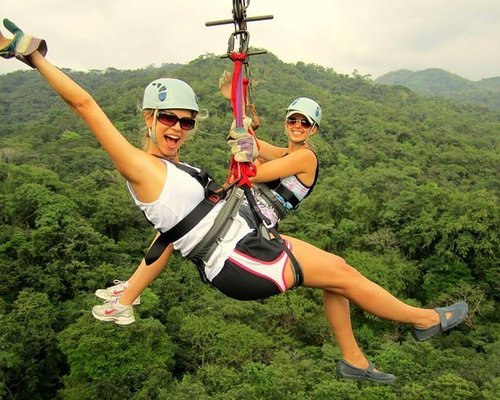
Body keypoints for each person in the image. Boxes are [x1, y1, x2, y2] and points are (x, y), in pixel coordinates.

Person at [0, 19, 469, 385]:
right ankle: (426, 321)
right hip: (242, 259)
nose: (178, 129)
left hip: (246, 240)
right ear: (148, 118)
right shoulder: (139, 168)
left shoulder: (177, 170)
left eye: (186, 122)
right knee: (343, 273)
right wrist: (35, 57)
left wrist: (129, 293)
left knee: (338, 275)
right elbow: (86, 106)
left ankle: (354, 359)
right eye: (169, 120)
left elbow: (166, 240)